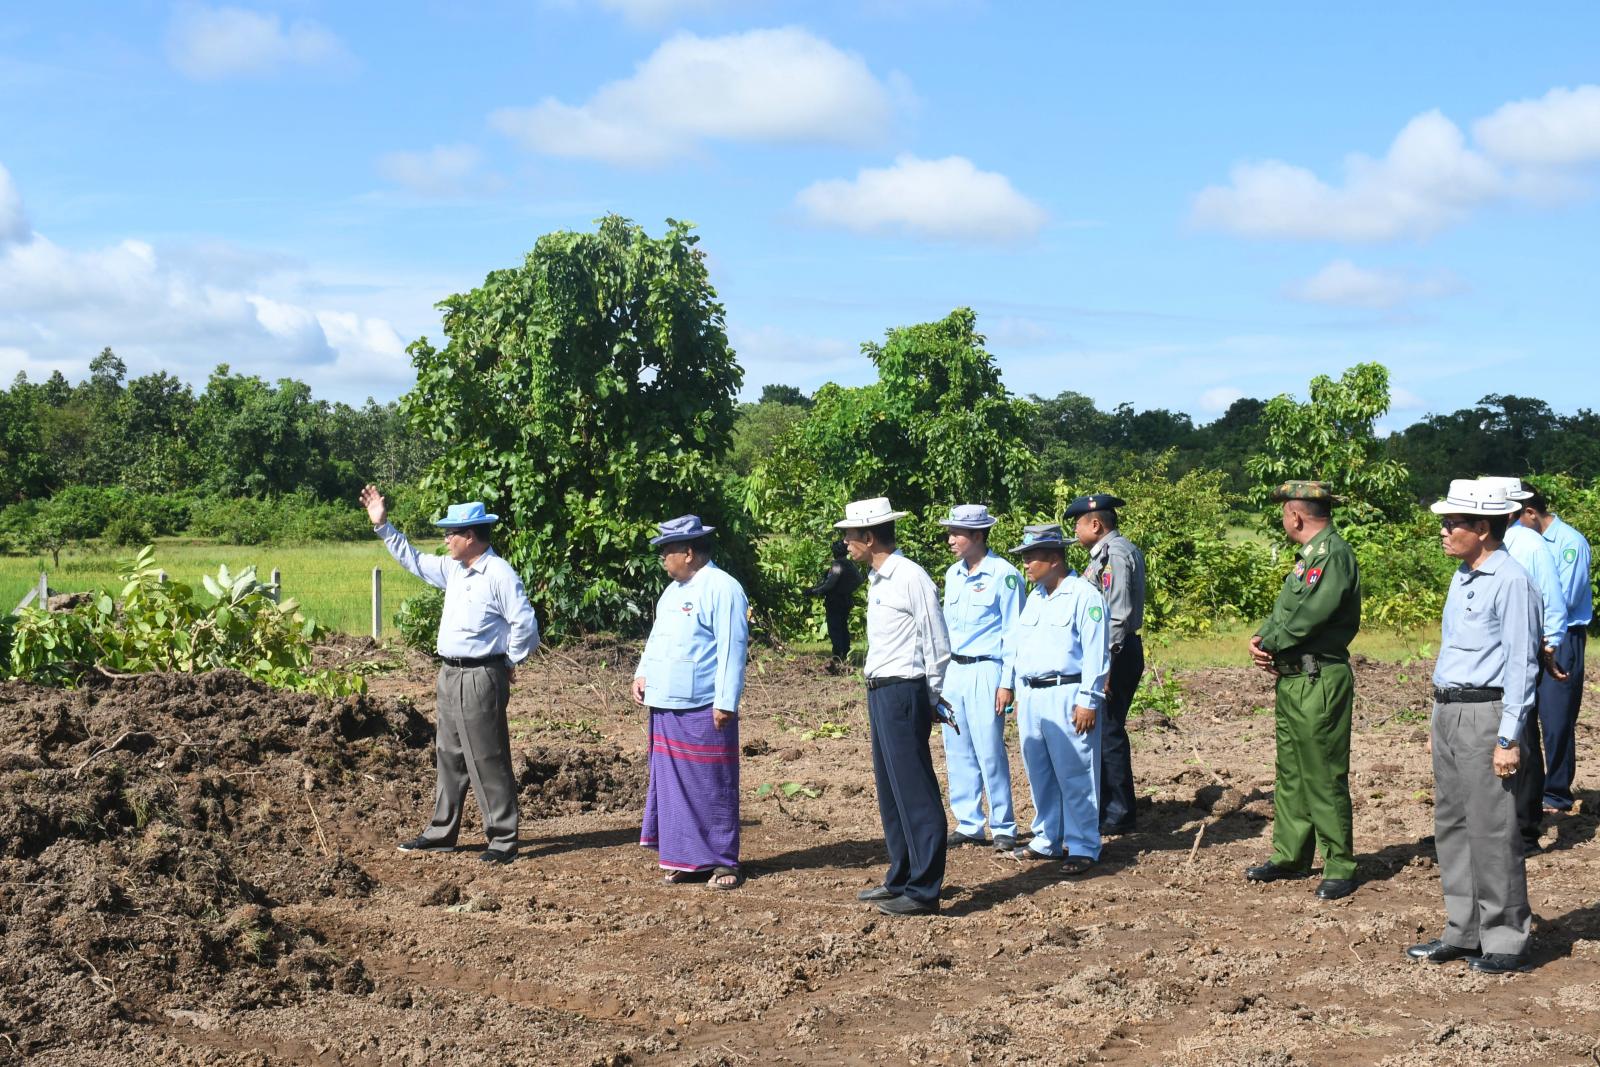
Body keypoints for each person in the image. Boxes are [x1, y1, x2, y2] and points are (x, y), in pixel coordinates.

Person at [361, 488, 539, 865]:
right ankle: (442, 832)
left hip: (481, 674)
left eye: (450, 533)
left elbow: (525, 623)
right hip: (450, 673)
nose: (445, 540)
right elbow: (413, 559)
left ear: (470, 536)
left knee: (487, 755)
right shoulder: (454, 570)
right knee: (449, 754)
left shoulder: (499, 574)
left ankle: (503, 839)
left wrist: (510, 661)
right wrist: (383, 526)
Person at [1406, 478, 1540, 974]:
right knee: (1453, 824)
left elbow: (1521, 663)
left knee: (1492, 828)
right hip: (1450, 710)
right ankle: (1463, 931)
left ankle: (1505, 937)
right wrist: (1438, 718)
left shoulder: (1512, 581)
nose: (1443, 531)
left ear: (1482, 528)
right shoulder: (1463, 575)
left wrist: (1508, 737)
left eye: (1452, 523)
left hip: (1486, 714)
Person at [1245, 481, 1361, 901]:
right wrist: (1262, 637)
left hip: (1319, 679)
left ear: (1295, 516)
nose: (1283, 520)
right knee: (1292, 772)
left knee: (1323, 772)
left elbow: (1311, 615)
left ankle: (1339, 864)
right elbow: (1287, 611)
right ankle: (1291, 855)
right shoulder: (1309, 558)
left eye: (1284, 514)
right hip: (1294, 678)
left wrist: (1271, 643)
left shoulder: (1334, 555)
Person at [839, 497, 953, 916]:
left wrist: (933, 696)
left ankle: (924, 890)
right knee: (891, 790)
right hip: (882, 691)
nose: (846, 543)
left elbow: (937, 641)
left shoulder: (910, 577)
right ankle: (902, 875)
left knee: (914, 788)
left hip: (905, 689)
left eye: (850, 535)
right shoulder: (878, 579)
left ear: (869, 537)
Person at [631, 515, 750, 890]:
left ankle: (723, 862)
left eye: (667, 550)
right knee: (673, 787)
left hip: (703, 704)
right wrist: (642, 673)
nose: (662, 558)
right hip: (666, 703)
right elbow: (657, 639)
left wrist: (725, 701)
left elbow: (732, 648)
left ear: (688, 552)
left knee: (712, 784)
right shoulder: (671, 592)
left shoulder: (723, 588)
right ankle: (688, 859)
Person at [999, 523, 1111, 875]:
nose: (1026, 564)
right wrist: (1017, 690)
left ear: (1054, 559)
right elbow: (1021, 648)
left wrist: (1088, 700)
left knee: (1076, 773)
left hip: (1067, 692)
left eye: (1031, 557)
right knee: (1040, 772)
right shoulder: (1035, 597)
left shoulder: (1084, 595)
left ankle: (1083, 845)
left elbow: (1096, 653)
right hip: (1033, 694)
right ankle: (1047, 837)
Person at [1477, 477, 1568, 853]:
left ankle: (1526, 829)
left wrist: (1549, 646)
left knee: (1523, 737)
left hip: (1520, 651)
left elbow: (1552, 599)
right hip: (1490, 661)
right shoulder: (1489, 549)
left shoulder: (1529, 544)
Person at [936, 504, 1023, 852]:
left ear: (977, 535)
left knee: (989, 749)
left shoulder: (1005, 575)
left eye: (956, 533)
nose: (950, 540)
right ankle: (969, 822)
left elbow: (1013, 633)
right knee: (956, 748)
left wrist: (1007, 681)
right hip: (954, 670)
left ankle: (1003, 824)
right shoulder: (952, 574)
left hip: (987, 668)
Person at [1066, 493, 1147, 836]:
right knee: (1104, 729)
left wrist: (1106, 666)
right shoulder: (1112, 552)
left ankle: (1119, 812)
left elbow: (1117, 616)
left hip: (1116, 652)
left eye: (1078, 524)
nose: (1075, 530)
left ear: (1096, 524)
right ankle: (1108, 805)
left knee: (1109, 730)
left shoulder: (1113, 555)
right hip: (1114, 651)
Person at [1512, 482, 1592, 819]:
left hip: (1562, 636)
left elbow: (1565, 597)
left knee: (1557, 719)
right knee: (1524, 715)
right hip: (1530, 633)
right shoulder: (1522, 542)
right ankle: (1531, 789)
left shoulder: (1570, 543)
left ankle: (1557, 791)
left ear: (1530, 512)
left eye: (1515, 517)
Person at [804, 539, 863, 669]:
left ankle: (838, 656)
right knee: (842, 627)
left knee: (835, 628)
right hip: (845, 600)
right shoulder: (849, 564)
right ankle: (844, 653)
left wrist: (813, 591)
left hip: (835, 601)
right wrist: (847, 589)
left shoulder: (837, 565)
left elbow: (829, 584)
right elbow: (859, 579)